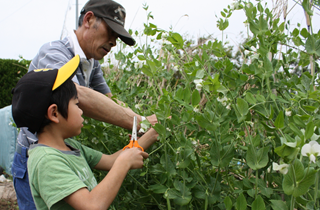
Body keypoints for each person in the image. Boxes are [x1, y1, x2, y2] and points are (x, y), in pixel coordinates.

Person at [11, 0, 157, 209]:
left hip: (63, 155)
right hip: (35, 160)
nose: (114, 43)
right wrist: (138, 121)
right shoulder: (54, 53)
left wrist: (152, 129)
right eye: (111, 33)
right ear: (88, 19)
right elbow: (79, 94)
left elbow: (109, 101)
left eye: (117, 38)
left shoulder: (73, 145)